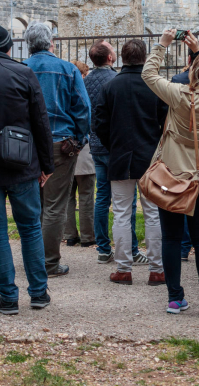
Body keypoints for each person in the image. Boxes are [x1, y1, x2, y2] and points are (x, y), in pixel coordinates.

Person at [0, 23, 54, 314]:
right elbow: (41, 121)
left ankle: (7, 297)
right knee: (29, 228)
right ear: (8, 46)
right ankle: (39, 292)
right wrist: (46, 164)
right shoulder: (23, 73)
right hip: (22, 162)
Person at [142, 29, 199, 316]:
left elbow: (149, 75)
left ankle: (175, 297)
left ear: (193, 71)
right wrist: (198, 52)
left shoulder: (179, 95)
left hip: (173, 174)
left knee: (171, 237)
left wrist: (163, 45)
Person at [94, 39, 166, 286]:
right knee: (153, 214)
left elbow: (99, 123)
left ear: (122, 58)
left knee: (122, 214)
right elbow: (166, 122)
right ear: (144, 58)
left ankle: (124, 269)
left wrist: (112, 145)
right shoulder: (154, 86)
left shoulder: (111, 86)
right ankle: (157, 270)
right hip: (150, 158)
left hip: (121, 155)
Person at [25, 22, 90, 278]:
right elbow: (83, 109)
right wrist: (79, 139)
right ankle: (48, 263)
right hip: (60, 143)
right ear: (52, 43)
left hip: (28, 144)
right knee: (54, 205)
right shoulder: (68, 69)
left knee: (35, 205)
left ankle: (36, 260)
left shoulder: (22, 69)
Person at [85, 40, 146, 265]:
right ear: (110, 58)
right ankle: (130, 249)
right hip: (117, 146)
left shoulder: (87, 80)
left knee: (102, 197)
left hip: (97, 145)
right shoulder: (114, 81)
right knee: (126, 202)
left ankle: (103, 247)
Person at [171, 41, 199, 261]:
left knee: (182, 195)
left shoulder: (177, 81)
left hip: (181, 145)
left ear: (188, 59)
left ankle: (184, 247)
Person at [64, 60, 97, 248]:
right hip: (83, 149)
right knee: (86, 196)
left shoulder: (62, 93)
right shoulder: (84, 94)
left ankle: (70, 235)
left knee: (68, 196)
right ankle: (87, 236)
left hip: (65, 149)